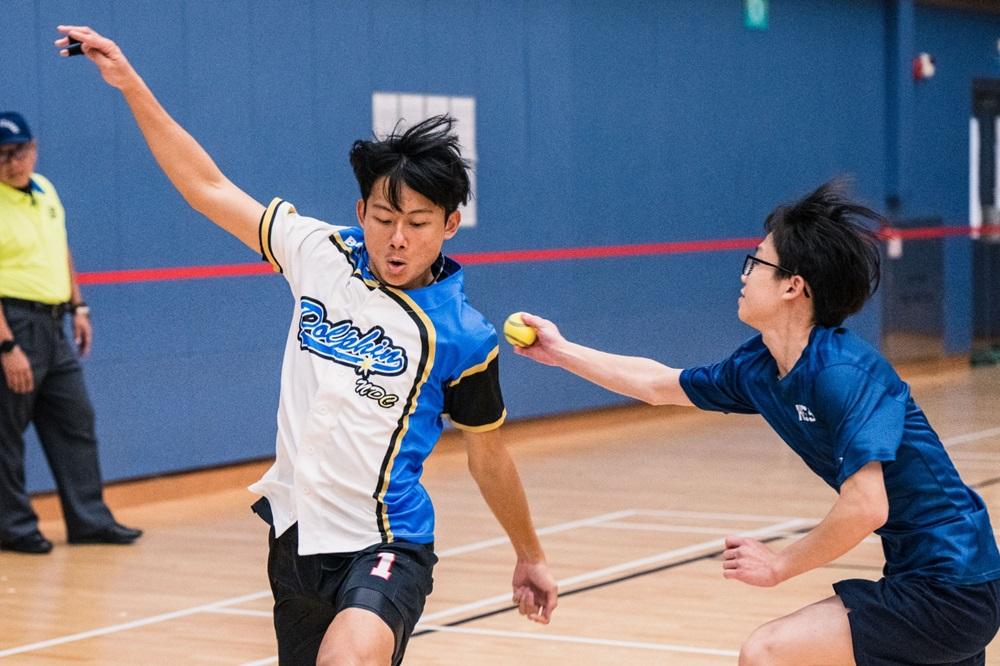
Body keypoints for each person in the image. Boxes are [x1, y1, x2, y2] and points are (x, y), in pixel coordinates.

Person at [56, 25, 557, 666]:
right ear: (361, 210)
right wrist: (130, 83)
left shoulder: (463, 336)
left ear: (450, 225)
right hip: (295, 538)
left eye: (417, 223)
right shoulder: (318, 252)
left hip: (387, 544)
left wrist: (530, 554)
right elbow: (206, 187)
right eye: (383, 219)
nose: (396, 239)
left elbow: (487, 457)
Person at [511, 180, 1000, 665]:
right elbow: (658, 385)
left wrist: (780, 564)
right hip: (934, 578)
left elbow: (866, 506)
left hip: (951, 585)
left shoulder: (842, 373)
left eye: (756, 263)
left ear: (793, 285)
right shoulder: (761, 368)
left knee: (765, 652)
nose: (744, 276)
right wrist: (562, 352)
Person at [0, 112, 143, 555]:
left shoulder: (45, 191)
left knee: (75, 420)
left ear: (34, 148)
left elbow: (59, 248)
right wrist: (6, 345)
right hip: (12, 323)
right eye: (2, 155)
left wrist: (78, 304)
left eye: (19, 150)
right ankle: (13, 526)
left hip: (54, 321)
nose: (12, 161)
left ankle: (90, 520)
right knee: (6, 430)